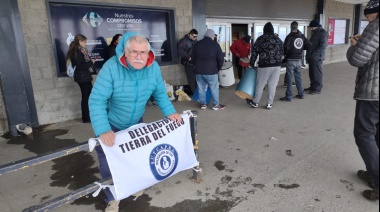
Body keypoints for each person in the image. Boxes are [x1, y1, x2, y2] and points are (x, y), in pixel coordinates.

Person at [89, 32, 182, 211]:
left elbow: (160, 93)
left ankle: (132, 185)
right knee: (109, 164)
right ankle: (113, 197)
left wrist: (170, 112)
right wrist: (103, 130)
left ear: (149, 53)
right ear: (125, 52)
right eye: (134, 52)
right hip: (110, 123)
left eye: (143, 52)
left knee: (135, 157)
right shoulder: (111, 67)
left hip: (135, 120)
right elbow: (96, 100)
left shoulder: (153, 67)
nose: (139, 56)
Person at [346, 0, 379, 201]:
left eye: (368, 16)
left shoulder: (375, 27)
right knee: (376, 134)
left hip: (374, 92)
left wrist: (355, 46)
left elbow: (357, 59)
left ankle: (377, 180)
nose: (367, 20)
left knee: (364, 134)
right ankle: (374, 172)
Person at [249, 22, 283, 110]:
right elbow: (282, 52)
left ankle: (255, 102)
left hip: (264, 65)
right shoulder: (278, 39)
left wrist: (251, 64)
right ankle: (269, 104)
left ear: (264, 30)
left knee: (260, 84)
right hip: (277, 65)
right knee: (272, 85)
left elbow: (254, 52)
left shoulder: (260, 39)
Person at [191, 29, 225, 111]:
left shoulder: (197, 44)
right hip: (212, 71)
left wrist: (196, 66)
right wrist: (218, 68)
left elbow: (192, 58)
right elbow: (220, 59)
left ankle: (203, 104)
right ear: (212, 37)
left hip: (199, 71)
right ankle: (216, 105)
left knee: (201, 88)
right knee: (214, 88)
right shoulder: (215, 45)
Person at [65, 34, 96, 123]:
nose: (85, 44)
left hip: (83, 76)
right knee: (87, 97)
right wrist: (91, 62)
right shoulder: (77, 52)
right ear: (80, 41)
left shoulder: (77, 51)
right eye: (84, 42)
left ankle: (87, 117)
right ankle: (86, 118)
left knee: (87, 96)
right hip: (83, 77)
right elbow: (81, 66)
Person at [280, 21, 311, 101]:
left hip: (290, 60)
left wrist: (285, 56)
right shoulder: (302, 36)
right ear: (297, 27)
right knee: (298, 78)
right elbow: (309, 45)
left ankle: (289, 96)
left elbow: (285, 48)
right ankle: (301, 94)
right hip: (299, 60)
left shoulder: (289, 37)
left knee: (289, 79)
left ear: (291, 27)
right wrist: (300, 49)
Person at [305, 19, 328, 94]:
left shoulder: (322, 33)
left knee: (317, 73)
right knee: (312, 72)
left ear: (316, 26)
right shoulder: (315, 32)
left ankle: (317, 88)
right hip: (312, 56)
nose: (311, 29)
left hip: (317, 57)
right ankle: (313, 86)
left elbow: (323, 46)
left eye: (312, 27)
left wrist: (314, 53)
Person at [178, 29, 198, 95]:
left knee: (197, 79)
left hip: (195, 63)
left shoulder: (195, 41)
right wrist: (188, 57)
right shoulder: (183, 41)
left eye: (196, 36)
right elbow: (180, 51)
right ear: (190, 34)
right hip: (188, 63)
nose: (195, 38)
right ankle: (195, 94)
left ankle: (198, 93)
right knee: (191, 79)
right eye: (194, 36)